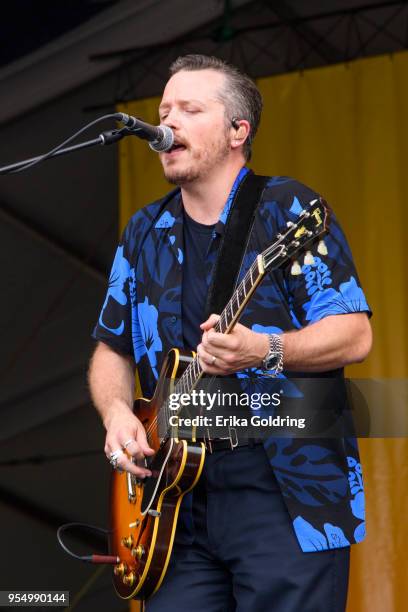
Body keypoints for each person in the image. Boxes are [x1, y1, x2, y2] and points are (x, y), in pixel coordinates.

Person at [88, 54, 372, 612]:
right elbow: (110, 348)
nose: (167, 122)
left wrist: (264, 349)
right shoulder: (144, 230)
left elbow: (354, 334)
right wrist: (118, 413)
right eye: (164, 109)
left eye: (190, 109)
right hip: (174, 500)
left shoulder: (288, 209)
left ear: (238, 131)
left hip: (285, 489)